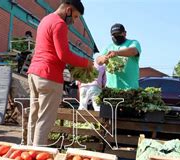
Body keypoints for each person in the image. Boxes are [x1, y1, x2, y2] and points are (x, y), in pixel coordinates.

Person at [27, 0, 93, 146]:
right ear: (68, 10)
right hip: (49, 76)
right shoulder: (59, 23)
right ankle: (37, 155)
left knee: (34, 117)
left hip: (34, 74)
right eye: (75, 16)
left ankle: (28, 152)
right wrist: (86, 63)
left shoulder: (45, 20)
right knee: (44, 120)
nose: (74, 21)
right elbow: (64, 55)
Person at [96, 23, 141, 89]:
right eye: (114, 35)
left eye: (118, 34)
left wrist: (116, 53)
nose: (116, 36)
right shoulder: (108, 47)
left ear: (125, 33)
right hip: (111, 89)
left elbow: (133, 51)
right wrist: (103, 58)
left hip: (130, 89)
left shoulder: (133, 43)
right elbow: (98, 60)